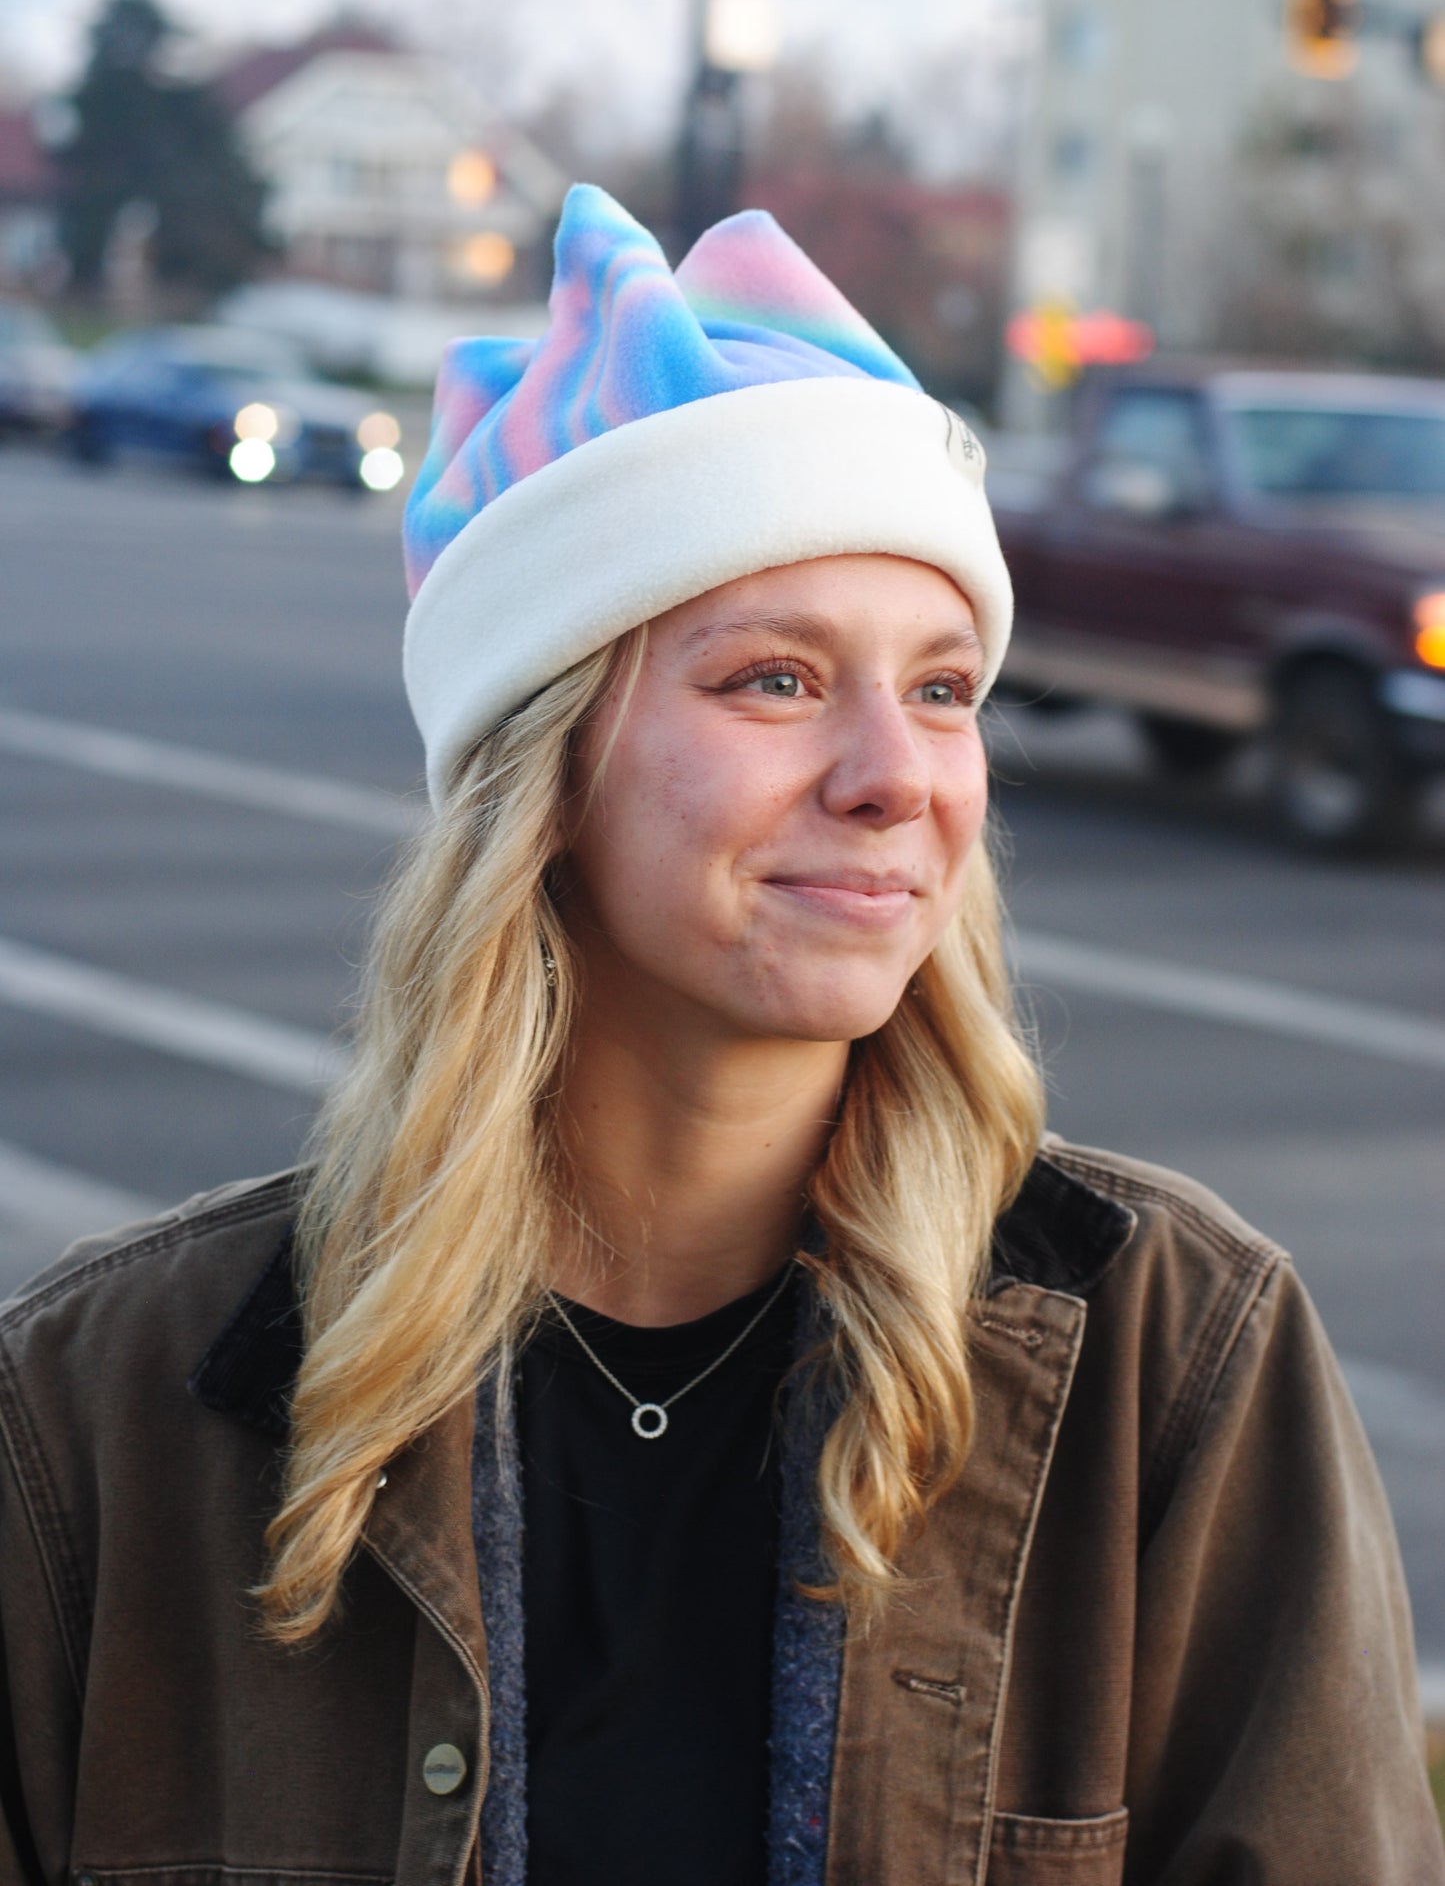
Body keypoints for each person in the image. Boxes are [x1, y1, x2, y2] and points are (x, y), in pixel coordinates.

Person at [0, 187, 1439, 1886]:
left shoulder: (1175, 1364)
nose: (893, 777)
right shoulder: (104, 1407)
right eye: (771, 678)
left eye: (940, 688)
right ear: (542, 766)